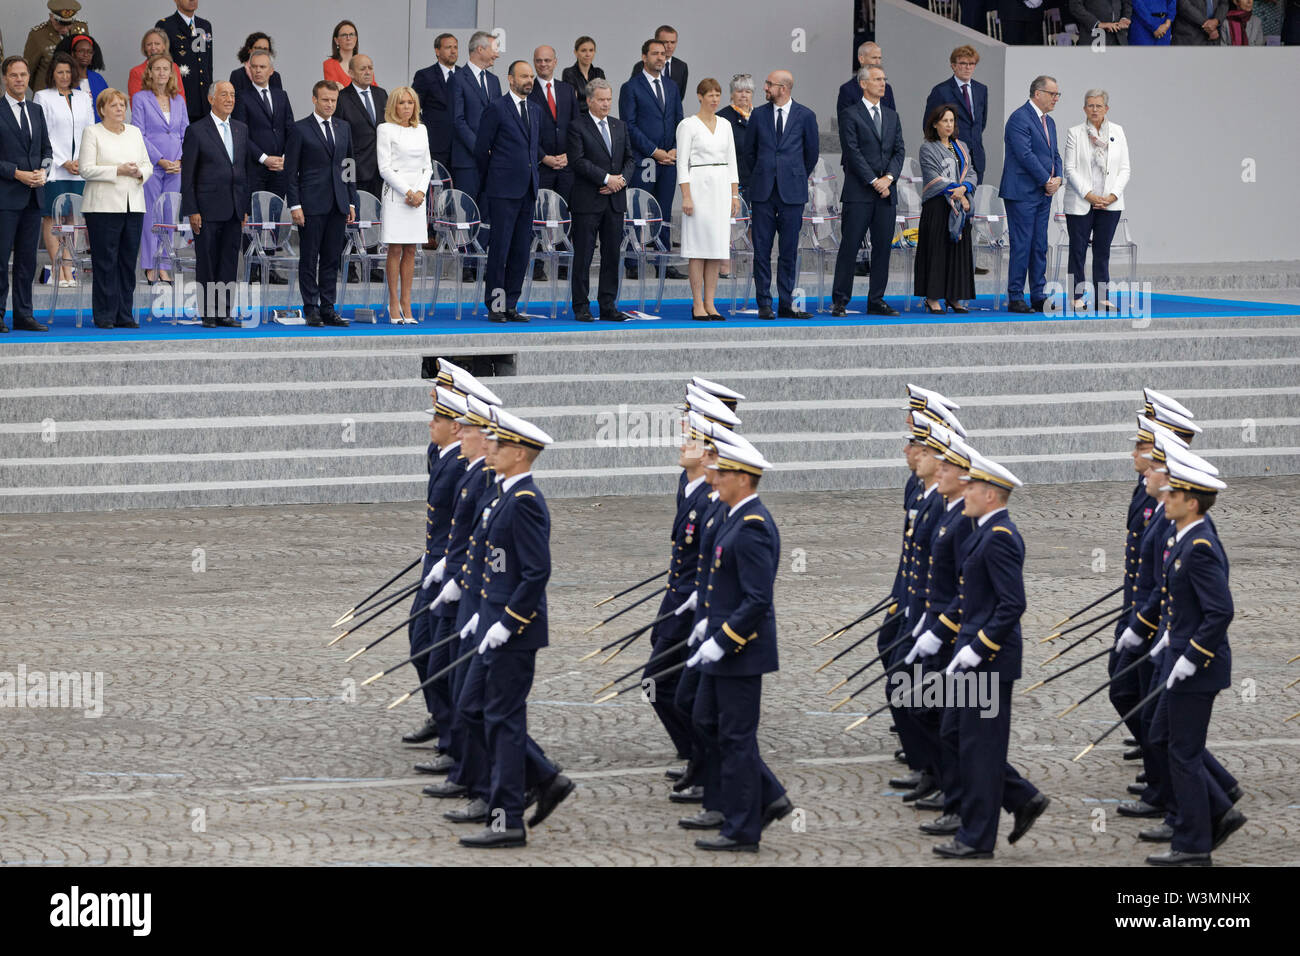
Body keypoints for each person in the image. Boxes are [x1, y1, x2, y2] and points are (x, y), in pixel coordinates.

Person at [457, 408, 574, 849]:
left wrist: (507, 623)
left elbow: (535, 572)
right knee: (473, 710)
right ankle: (543, 778)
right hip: (492, 624)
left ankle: (507, 820)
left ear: (521, 454)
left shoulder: (524, 503)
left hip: (514, 632)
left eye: (500, 444)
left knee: (502, 721)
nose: (490, 447)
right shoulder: (504, 495)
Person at [931, 452, 1050, 859]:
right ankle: (1021, 798)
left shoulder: (999, 537)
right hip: (970, 656)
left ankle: (977, 838)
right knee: (954, 735)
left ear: (992, 495)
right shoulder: (983, 530)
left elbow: (1012, 604)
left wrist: (979, 648)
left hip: (988, 663)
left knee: (979, 750)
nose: (964, 493)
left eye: (972, 488)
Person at [684, 439, 791, 852]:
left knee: (736, 736)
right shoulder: (732, 517)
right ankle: (762, 798)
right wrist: (707, 622)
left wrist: (723, 639)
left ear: (744, 479)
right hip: (721, 644)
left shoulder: (752, 527)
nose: (716, 478)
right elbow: (722, 583)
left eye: (723, 473)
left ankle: (742, 829)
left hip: (741, 653)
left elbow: (756, 599)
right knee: (706, 721)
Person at [1140, 458, 1246, 865]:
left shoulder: (1199, 546)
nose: (1165, 498)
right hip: (1179, 655)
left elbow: (1220, 611)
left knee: (1182, 751)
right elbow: (1186, 603)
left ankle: (1193, 844)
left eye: (1174, 495)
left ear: (1193, 503)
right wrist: (1170, 634)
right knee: (1160, 737)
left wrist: (1191, 655)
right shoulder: (1184, 538)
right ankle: (1216, 811)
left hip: (1197, 667)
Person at [744, 69, 818, 321]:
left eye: (769, 84)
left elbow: (811, 154)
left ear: (783, 88)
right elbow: (749, 151)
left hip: (792, 193)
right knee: (761, 250)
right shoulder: (758, 115)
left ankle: (787, 303)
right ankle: (764, 302)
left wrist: (793, 174)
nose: (765, 88)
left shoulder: (805, 116)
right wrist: (764, 172)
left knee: (789, 251)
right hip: (763, 191)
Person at [831, 65, 904, 318]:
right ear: (863, 84)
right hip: (859, 192)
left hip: (886, 193)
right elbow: (852, 151)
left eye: (884, 79)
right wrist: (875, 180)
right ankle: (840, 300)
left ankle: (876, 300)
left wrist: (889, 179)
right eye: (877, 79)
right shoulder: (850, 114)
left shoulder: (892, 115)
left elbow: (899, 150)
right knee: (850, 247)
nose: (882, 83)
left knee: (883, 247)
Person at [286, 79, 357, 328]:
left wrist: (352, 201)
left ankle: (328, 308)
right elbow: (291, 170)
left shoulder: (343, 127)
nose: (329, 104)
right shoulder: (299, 129)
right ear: (314, 99)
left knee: (331, 259)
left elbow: (348, 166)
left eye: (333, 100)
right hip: (311, 204)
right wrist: (295, 205)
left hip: (338, 202)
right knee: (309, 258)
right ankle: (311, 308)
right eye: (325, 100)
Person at [79, 88, 152, 330]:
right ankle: (104, 314)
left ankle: (124, 313)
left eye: (122, 105)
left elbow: (147, 163)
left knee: (127, 260)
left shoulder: (134, 132)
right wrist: (117, 170)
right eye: (114, 105)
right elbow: (86, 169)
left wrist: (139, 171)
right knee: (105, 261)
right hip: (103, 206)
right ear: (102, 110)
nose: (120, 109)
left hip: (133, 203)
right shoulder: (93, 132)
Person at [475, 60, 541, 324]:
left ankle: (512, 304)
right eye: (524, 76)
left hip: (528, 189)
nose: (529, 80)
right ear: (510, 79)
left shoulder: (535, 110)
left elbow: (533, 148)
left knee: (521, 251)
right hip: (503, 190)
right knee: (500, 250)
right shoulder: (497, 108)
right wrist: (496, 176)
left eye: (531, 76)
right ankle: (496, 305)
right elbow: (481, 149)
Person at [180, 80, 248, 327]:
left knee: (229, 261)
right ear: (211, 99)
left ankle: (225, 311)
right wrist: (192, 209)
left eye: (232, 94)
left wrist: (244, 207)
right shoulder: (197, 130)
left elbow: (243, 171)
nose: (230, 99)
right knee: (207, 261)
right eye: (224, 95)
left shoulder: (241, 129)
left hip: (234, 207)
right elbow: (188, 175)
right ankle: (208, 312)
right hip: (206, 208)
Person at [567, 77, 633, 323]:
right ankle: (581, 306)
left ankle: (608, 305)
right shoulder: (577, 126)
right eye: (601, 100)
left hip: (615, 202)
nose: (606, 104)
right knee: (584, 255)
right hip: (588, 200)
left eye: (609, 100)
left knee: (612, 255)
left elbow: (630, 159)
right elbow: (578, 161)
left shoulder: (619, 126)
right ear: (589, 100)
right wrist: (606, 179)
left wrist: (621, 181)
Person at [618, 37, 685, 280]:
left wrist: (675, 150)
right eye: (655, 53)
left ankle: (663, 263)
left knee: (664, 211)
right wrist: (654, 151)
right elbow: (630, 125)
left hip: (669, 161)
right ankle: (633, 263)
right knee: (638, 210)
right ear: (644, 57)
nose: (660, 57)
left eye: (663, 53)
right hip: (644, 159)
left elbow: (680, 120)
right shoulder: (631, 87)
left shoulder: (671, 86)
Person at [676, 78, 739, 321]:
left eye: (717, 95)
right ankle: (697, 303)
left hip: (721, 187)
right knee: (698, 249)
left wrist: (734, 194)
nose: (714, 99)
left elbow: (732, 161)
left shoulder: (725, 125)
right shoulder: (688, 125)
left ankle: (711, 302)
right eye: (710, 95)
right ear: (700, 96)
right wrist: (686, 196)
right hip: (699, 186)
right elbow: (682, 164)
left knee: (716, 248)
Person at [1062, 89, 1130, 312]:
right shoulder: (1075, 133)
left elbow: (1125, 169)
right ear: (1084, 109)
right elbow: (1069, 169)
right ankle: (1076, 296)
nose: (1094, 110)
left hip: (1109, 204)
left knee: (1102, 251)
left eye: (1098, 106)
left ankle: (1103, 297)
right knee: (1078, 250)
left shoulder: (1118, 132)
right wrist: (1089, 195)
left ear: (1106, 109)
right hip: (1082, 202)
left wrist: (1111, 196)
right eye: (1090, 105)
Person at [1000, 75, 1063, 314]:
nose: (1056, 98)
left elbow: (1053, 154)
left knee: (1039, 245)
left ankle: (1038, 295)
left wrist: (1058, 178)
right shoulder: (1019, 118)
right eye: (1053, 94)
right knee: (1022, 245)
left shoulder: (1050, 122)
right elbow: (1025, 155)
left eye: (1058, 94)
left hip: (1043, 193)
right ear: (1038, 94)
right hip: (1022, 192)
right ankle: (1016, 296)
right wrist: (1046, 180)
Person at [0, 55, 52, 333]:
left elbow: (46, 149)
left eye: (23, 74)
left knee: (27, 260)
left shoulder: (35, 110)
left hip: (33, 197)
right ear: (5, 79)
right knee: (0, 260)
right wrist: (16, 173)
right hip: (6, 197)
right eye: (13, 75)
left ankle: (23, 314)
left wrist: (43, 171)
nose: (19, 80)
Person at [35, 52, 92, 288]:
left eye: (68, 72)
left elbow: (90, 129)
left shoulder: (83, 98)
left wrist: (81, 159)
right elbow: (42, 132)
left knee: (74, 217)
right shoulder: (43, 96)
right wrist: (62, 160)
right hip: (55, 168)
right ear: (52, 74)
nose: (65, 76)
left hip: (79, 167)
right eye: (60, 72)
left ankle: (70, 268)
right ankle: (58, 269)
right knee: (51, 217)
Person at [376, 86, 431, 324]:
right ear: (393, 106)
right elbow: (384, 167)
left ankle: (407, 302)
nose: (406, 107)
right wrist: (407, 191)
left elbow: (428, 166)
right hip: (396, 195)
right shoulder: (385, 129)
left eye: (410, 103)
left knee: (411, 250)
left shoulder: (422, 129)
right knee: (395, 249)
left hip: (418, 196)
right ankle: (393, 302)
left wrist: (419, 191)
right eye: (402, 103)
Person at [131, 53, 187, 285]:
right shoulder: (141, 98)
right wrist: (160, 159)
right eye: (158, 69)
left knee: (169, 216)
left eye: (166, 69)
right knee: (151, 216)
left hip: (176, 165)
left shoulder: (178, 100)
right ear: (150, 72)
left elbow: (185, 132)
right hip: (153, 164)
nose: (162, 73)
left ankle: (165, 265)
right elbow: (138, 133)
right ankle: (149, 266)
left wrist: (181, 159)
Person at [915, 105, 977, 315]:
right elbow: (933, 176)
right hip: (938, 207)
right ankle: (932, 298)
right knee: (937, 253)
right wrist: (956, 191)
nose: (949, 125)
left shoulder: (962, 146)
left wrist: (964, 189)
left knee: (957, 252)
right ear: (935, 124)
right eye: (944, 121)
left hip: (960, 206)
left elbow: (972, 173)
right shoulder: (928, 148)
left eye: (952, 121)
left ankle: (954, 297)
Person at [230, 50, 292, 198]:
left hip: (279, 168)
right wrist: (264, 159)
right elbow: (241, 135)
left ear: (271, 71)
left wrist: (285, 157)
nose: (258, 70)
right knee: (257, 215)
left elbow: (290, 128)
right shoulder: (242, 97)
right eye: (254, 67)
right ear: (249, 69)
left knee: (276, 216)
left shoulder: (281, 95)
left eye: (262, 67)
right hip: (255, 169)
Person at [923, 46, 988, 185]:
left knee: (972, 203)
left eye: (971, 64)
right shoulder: (941, 91)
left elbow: (980, 123)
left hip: (976, 158)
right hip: (950, 157)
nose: (968, 67)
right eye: (963, 63)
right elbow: (929, 125)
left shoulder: (981, 89)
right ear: (953, 66)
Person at [451, 30, 501, 207]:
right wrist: (480, 148)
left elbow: (499, 118)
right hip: (467, 160)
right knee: (466, 212)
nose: (497, 54)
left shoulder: (494, 81)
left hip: (492, 162)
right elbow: (458, 120)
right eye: (494, 49)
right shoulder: (457, 79)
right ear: (480, 49)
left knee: (488, 214)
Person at [529, 46, 577, 205]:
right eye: (539, 60)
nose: (543, 64)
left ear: (555, 62)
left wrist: (569, 154)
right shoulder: (528, 91)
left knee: (565, 216)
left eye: (547, 60)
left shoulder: (567, 90)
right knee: (539, 215)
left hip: (566, 166)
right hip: (540, 167)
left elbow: (576, 127)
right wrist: (543, 157)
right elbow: (526, 130)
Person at [335, 55, 387, 200]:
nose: (368, 72)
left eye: (370, 68)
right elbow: (339, 137)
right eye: (362, 69)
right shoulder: (342, 98)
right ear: (350, 73)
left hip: (382, 169)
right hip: (356, 169)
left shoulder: (381, 94)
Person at [157, 0, 213, 123]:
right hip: (180, 95)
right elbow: (161, 64)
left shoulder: (205, 25)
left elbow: (208, 64)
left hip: (204, 99)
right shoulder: (166, 25)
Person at [412, 32, 457, 173]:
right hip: (435, 144)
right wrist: (424, 130)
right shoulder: (425, 75)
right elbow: (414, 107)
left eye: (455, 47)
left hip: (460, 147)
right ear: (437, 51)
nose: (453, 51)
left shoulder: (464, 75)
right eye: (448, 47)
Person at [23, 1, 87, 92]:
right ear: (51, 17)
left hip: (76, 92)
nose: (65, 29)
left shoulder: (82, 29)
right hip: (48, 91)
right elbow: (28, 71)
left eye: (68, 24)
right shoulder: (38, 35)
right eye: (60, 25)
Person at [717, 74, 754, 207]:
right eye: (739, 91)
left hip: (757, 182)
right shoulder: (722, 118)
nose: (744, 95)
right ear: (732, 94)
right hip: (733, 182)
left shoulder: (760, 116)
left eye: (748, 91)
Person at [628, 25, 688, 102]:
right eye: (665, 42)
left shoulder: (681, 67)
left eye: (673, 42)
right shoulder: (641, 66)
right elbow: (632, 94)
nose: (669, 46)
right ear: (656, 41)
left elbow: (679, 97)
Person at [836, 42, 895, 115]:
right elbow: (845, 123)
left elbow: (893, 121)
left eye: (879, 58)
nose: (878, 62)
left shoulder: (887, 89)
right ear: (861, 59)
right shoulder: (847, 90)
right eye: (874, 58)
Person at [127, 28, 185, 103]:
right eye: (149, 44)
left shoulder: (174, 67)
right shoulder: (136, 72)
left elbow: (180, 98)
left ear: (164, 46)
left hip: (174, 113)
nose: (153, 48)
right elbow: (136, 104)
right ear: (144, 48)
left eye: (157, 44)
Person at [60, 34, 104, 120]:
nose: (85, 55)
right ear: (73, 54)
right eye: (81, 51)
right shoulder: (63, 78)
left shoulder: (98, 79)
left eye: (89, 52)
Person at [561, 36, 603, 114]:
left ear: (594, 52)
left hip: (597, 118)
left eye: (591, 50)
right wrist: (595, 101)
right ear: (576, 52)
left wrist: (582, 99)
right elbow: (571, 103)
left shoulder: (599, 73)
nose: (588, 54)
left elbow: (603, 99)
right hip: (578, 120)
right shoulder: (569, 73)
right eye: (583, 51)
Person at [324, 21, 365, 87]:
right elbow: (334, 93)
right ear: (336, 40)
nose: (348, 38)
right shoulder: (329, 65)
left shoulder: (364, 63)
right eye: (344, 35)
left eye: (351, 34)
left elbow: (374, 91)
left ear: (356, 39)